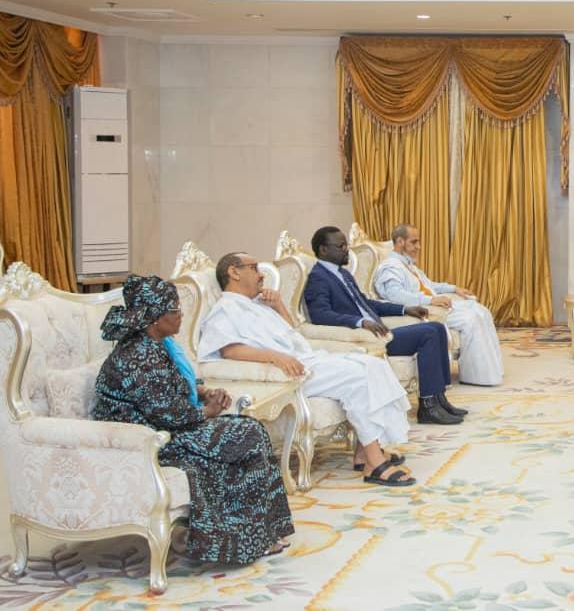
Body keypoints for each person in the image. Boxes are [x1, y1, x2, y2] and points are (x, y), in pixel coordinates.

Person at [93, 275, 294, 563]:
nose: (181, 315)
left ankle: (261, 533)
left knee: (250, 431)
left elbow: (172, 389)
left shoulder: (155, 345)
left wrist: (204, 393)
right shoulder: (137, 355)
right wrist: (208, 411)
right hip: (147, 439)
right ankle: (239, 541)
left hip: (167, 427)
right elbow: (169, 414)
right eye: (175, 310)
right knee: (246, 435)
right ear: (155, 319)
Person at [198, 252, 417, 487]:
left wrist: (278, 305)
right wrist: (275, 357)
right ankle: (375, 463)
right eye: (254, 268)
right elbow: (229, 350)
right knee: (358, 376)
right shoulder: (225, 309)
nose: (261, 275)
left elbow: (292, 335)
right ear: (234, 272)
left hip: (304, 360)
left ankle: (365, 452)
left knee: (374, 364)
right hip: (287, 374)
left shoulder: (258, 305)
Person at [304, 226, 466, 424]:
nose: (347, 250)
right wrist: (360, 322)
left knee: (437, 328)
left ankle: (439, 398)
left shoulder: (343, 274)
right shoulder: (318, 277)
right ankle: (428, 406)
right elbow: (321, 315)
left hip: (380, 332)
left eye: (346, 245)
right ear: (323, 250)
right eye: (341, 246)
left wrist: (404, 309)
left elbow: (368, 303)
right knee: (428, 333)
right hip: (368, 339)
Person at [374, 223, 504, 386]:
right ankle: (477, 376)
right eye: (414, 242)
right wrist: (430, 300)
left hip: (434, 305)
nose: (419, 247)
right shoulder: (390, 267)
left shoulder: (407, 264)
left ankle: (492, 371)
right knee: (471, 318)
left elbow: (429, 285)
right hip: (424, 310)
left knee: (481, 310)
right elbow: (395, 295)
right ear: (400, 242)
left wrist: (454, 288)